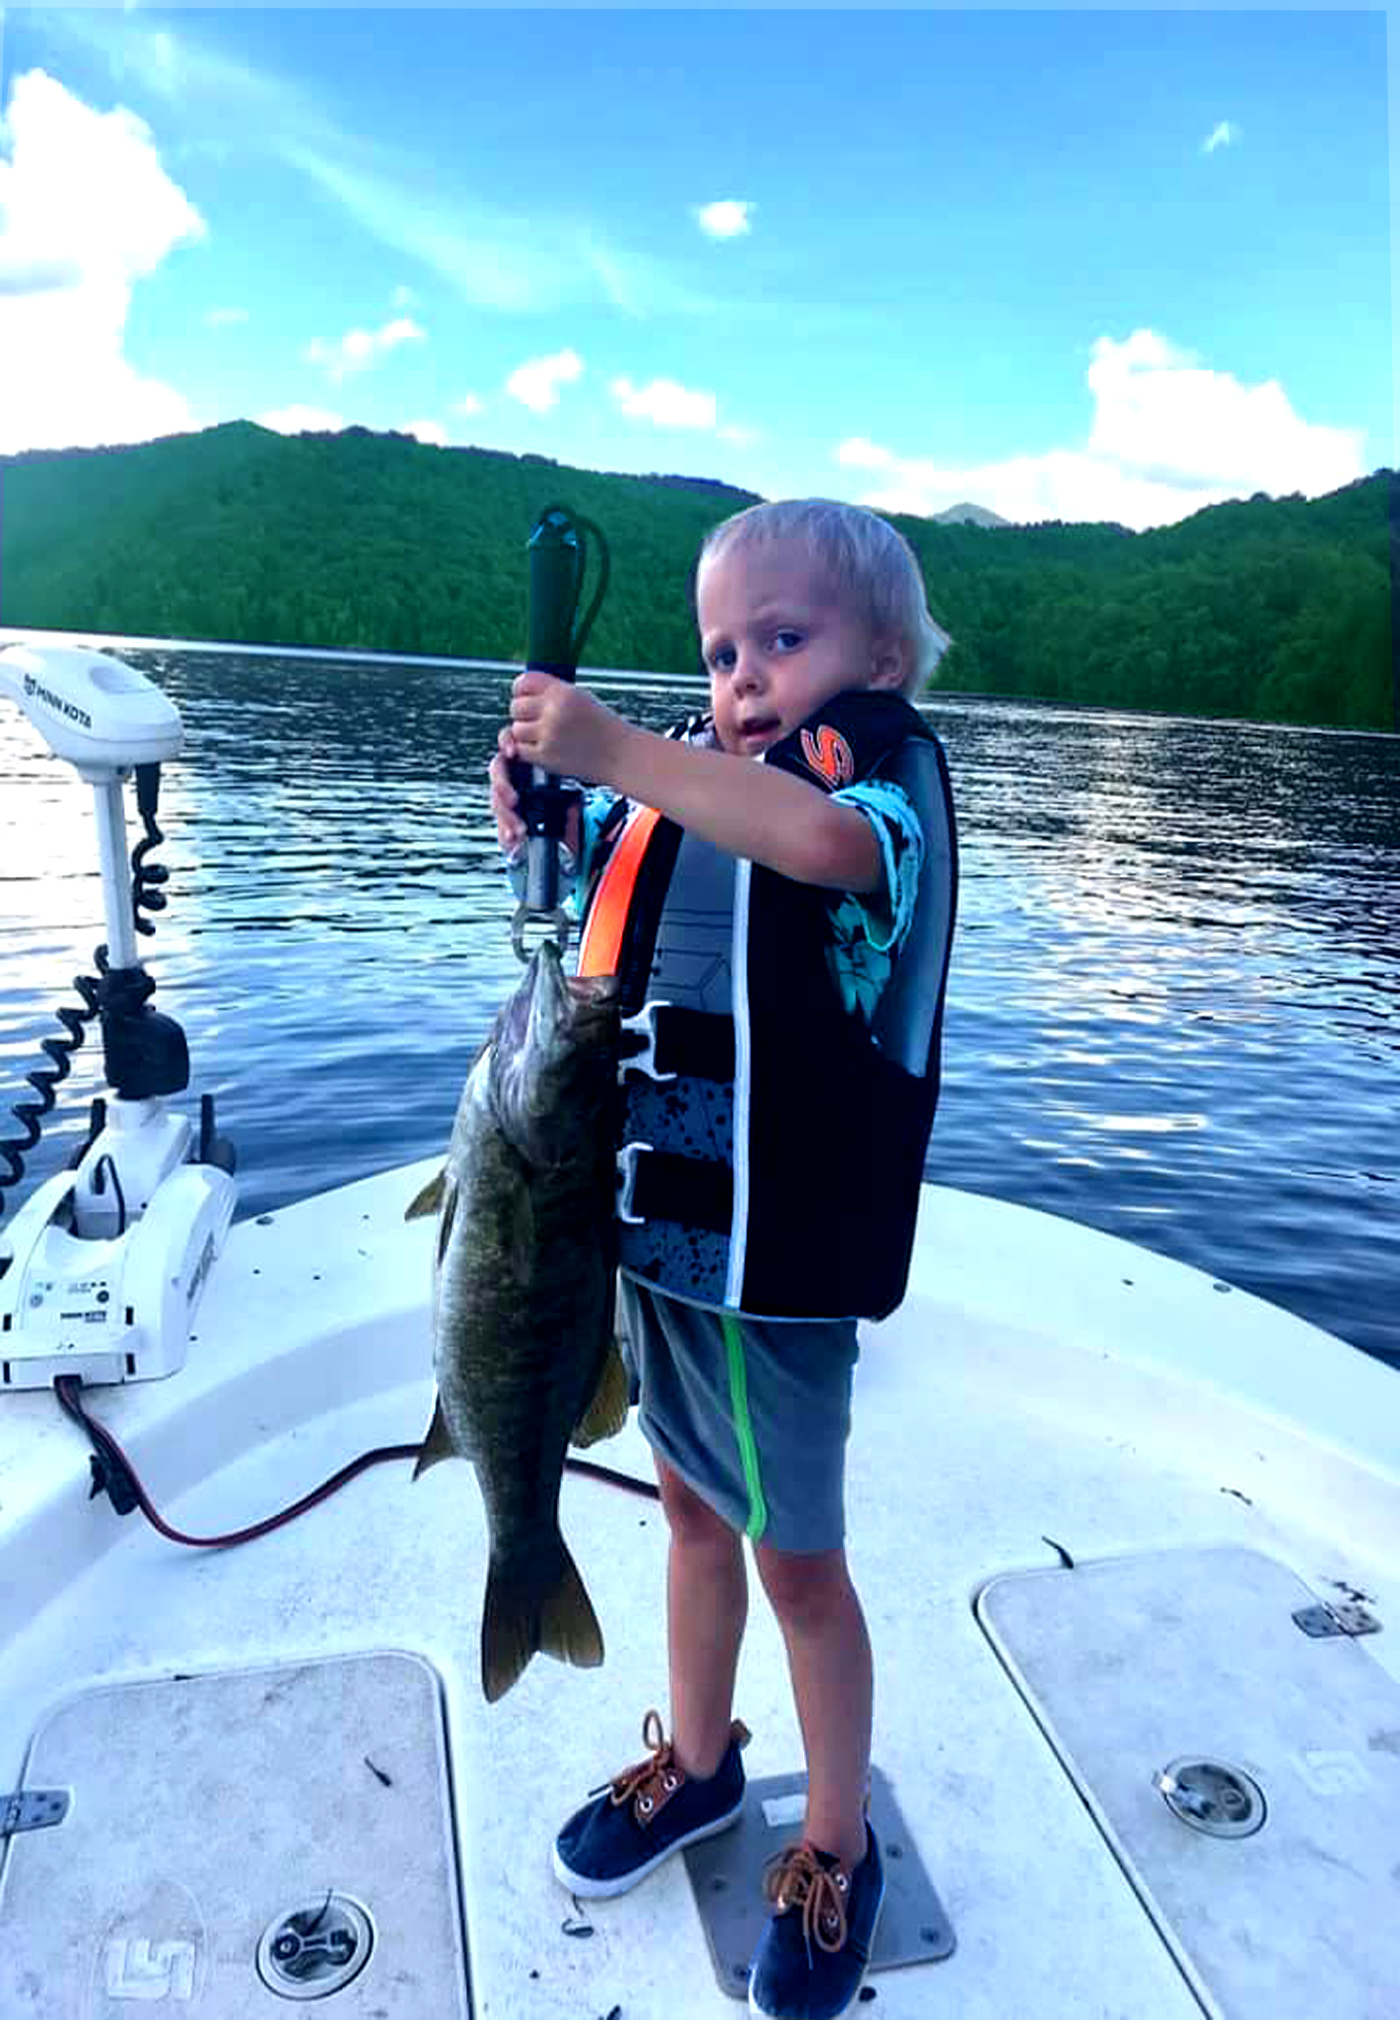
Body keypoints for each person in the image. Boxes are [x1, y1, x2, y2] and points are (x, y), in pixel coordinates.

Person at [489, 498, 957, 2020]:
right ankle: (698, 1769)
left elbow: (815, 847)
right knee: (690, 1514)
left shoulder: (880, 785)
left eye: (783, 639)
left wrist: (621, 750)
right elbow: (617, 876)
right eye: (719, 650)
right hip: (659, 1252)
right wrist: (545, 809)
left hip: (778, 1283)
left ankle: (838, 1848)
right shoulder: (693, 774)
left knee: (798, 1570)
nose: (742, 677)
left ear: (881, 658)